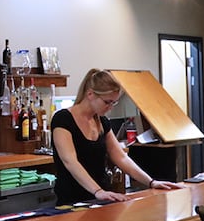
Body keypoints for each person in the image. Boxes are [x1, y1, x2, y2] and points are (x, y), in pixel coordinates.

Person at [49, 69, 184, 203]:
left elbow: (121, 157)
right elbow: (70, 161)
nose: (110, 107)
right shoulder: (63, 119)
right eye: (107, 102)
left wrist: (151, 182)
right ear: (90, 94)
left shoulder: (102, 122)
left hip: (101, 197)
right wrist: (97, 191)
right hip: (73, 199)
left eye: (114, 102)